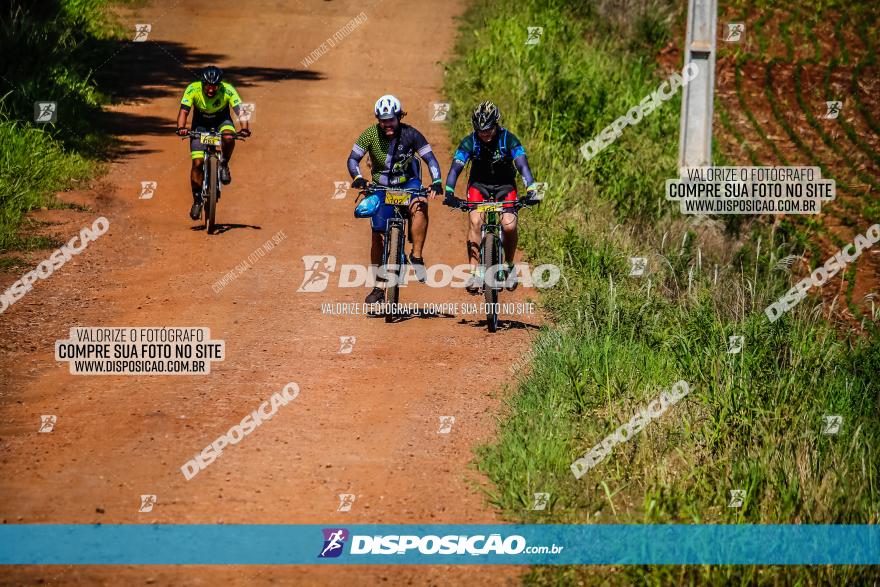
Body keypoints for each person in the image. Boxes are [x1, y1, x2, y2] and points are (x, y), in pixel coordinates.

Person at [347, 94, 444, 304]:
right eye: (383, 120)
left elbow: (430, 159)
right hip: (381, 187)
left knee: (420, 206)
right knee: (377, 235)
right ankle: (379, 285)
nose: (387, 124)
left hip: (408, 184)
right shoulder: (370, 134)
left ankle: (416, 256)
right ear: (378, 120)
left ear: (399, 117)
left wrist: (437, 181)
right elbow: (353, 158)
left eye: (391, 119)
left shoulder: (411, 134)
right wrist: (358, 178)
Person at [444, 101, 541, 293]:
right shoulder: (469, 141)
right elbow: (456, 168)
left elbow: (522, 166)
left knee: (509, 224)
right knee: (475, 221)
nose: (484, 134)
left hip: (505, 186)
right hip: (479, 185)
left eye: (488, 129)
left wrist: (531, 189)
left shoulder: (509, 140)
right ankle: (474, 273)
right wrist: (449, 192)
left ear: (496, 124)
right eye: (480, 130)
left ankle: (509, 266)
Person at [175, 66, 251, 220]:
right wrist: (181, 128)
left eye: (214, 86)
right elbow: (184, 111)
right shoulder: (192, 89)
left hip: (222, 121)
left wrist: (244, 128)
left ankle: (223, 164)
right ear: (202, 84)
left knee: (229, 137)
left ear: (220, 85)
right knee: (197, 163)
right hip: (200, 125)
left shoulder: (228, 89)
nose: (211, 89)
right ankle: (197, 201)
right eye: (208, 86)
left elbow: (240, 110)